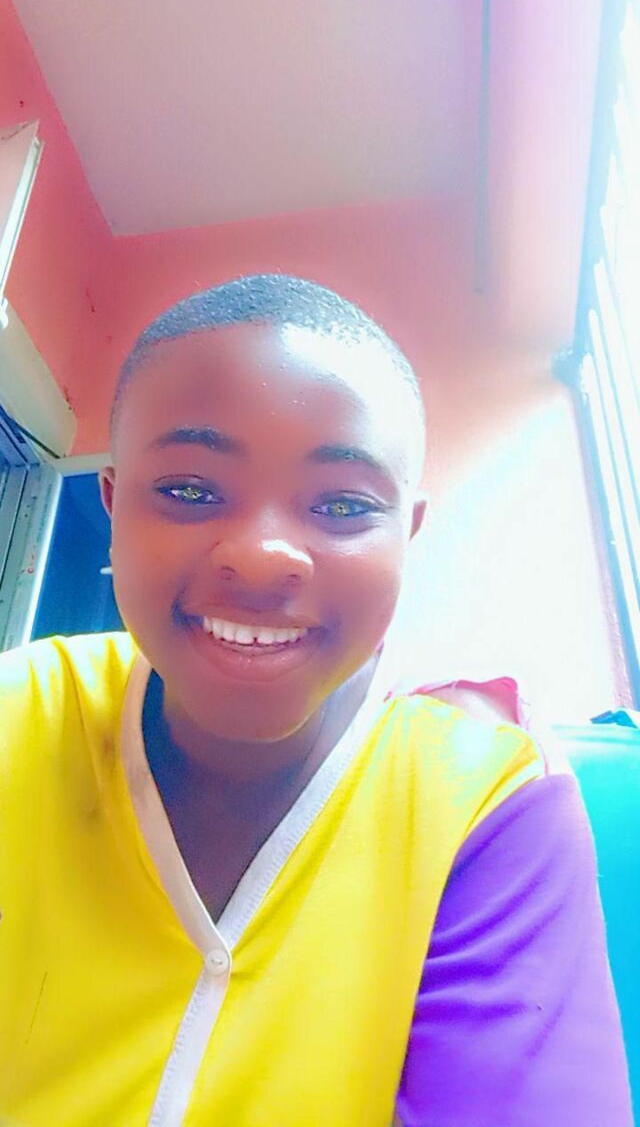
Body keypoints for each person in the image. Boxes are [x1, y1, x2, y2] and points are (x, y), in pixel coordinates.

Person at [0, 275, 632, 1127]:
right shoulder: (19, 712)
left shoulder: (487, 803)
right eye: (189, 489)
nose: (263, 555)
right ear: (113, 505)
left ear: (406, 534)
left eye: (342, 504)